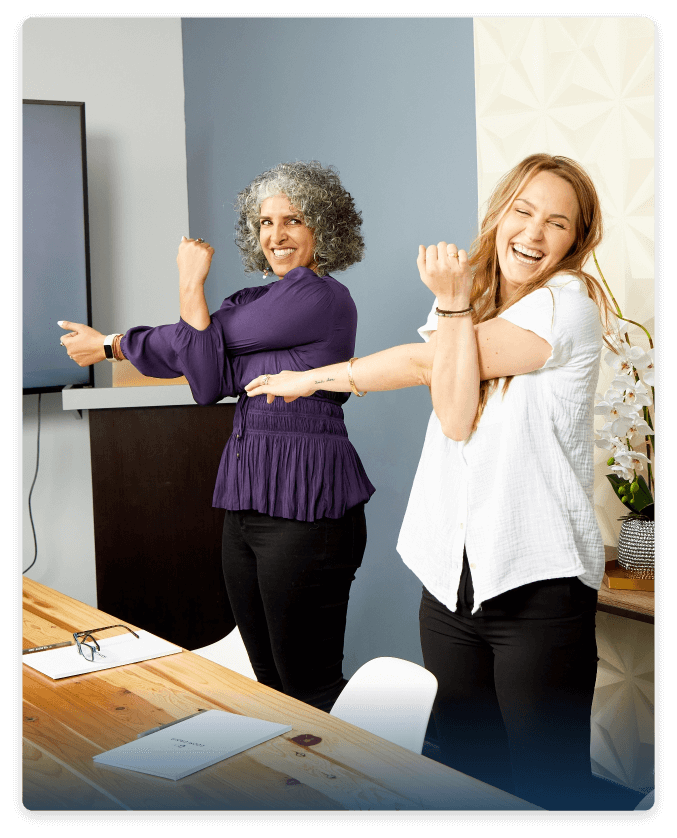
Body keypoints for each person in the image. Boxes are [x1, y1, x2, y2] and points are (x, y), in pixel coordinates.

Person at [244, 154, 620, 810]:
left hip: (536, 584)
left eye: (556, 224)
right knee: (467, 778)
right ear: (500, 214)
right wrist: (317, 376)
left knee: (547, 786)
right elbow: (426, 370)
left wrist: (316, 375)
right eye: (523, 212)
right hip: (448, 585)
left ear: (574, 241)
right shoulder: (469, 297)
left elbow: (449, 411)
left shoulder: (567, 306)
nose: (533, 233)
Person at [58, 160, 375, 713]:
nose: (275, 236)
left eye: (292, 220)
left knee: (310, 684)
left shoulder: (323, 298)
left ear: (322, 227)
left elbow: (199, 338)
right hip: (247, 497)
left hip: (308, 499)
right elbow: (204, 376)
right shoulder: (249, 302)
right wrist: (137, 340)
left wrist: (180, 290)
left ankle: (360, 791)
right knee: (268, 682)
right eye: (264, 223)